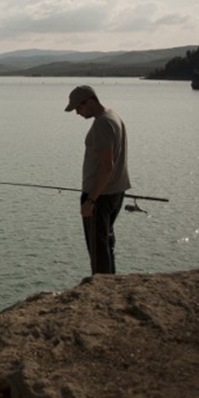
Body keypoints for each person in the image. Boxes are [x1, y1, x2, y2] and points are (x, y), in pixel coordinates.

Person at [65, 85, 131, 275]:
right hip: (116, 191)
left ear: (90, 101)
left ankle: (101, 287)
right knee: (106, 242)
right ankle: (110, 283)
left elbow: (106, 166)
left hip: (100, 195)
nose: (77, 113)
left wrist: (91, 200)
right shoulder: (114, 116)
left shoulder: (102, 124)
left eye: (78, 107)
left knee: (98, 248)